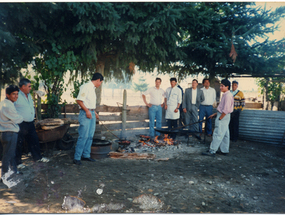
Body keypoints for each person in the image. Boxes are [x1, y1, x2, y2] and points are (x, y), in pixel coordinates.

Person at [15, 78, 49, 168]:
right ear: (23, 86)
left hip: (30, 123)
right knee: (19, 143)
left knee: (34, 140)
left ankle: (37, 158)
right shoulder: (16, 95)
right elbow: (10, 108)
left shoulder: (28, 95)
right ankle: (18, 163)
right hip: (21, 123)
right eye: (29, 86)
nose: (30, 88)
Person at [73, 73, 104, 165]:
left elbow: (88, 102)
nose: (100, 84)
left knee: (90, 136)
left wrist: (93, 112)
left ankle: (86, 155)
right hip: (85, 114)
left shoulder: (92, 88)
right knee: (83, 136)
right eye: (101, 82)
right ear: (98, 80)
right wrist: (87, 111)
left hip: (91, 113)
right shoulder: (86, 86)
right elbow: (79, 100)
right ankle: (77, 157)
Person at [202, 79, 234, 156]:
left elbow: (226, 110)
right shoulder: (226, 95)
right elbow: (223, 108)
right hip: (223, 115)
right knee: (225, 134)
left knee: (217, 133)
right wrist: (215, 114)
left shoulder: (228, 96)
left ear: (227, 86)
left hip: (223, 116)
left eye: (222, 86)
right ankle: (224, 150)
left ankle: (212, 150)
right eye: (220, 85)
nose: (220, 87)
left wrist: (220, 118)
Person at [0, 85, 23, 186]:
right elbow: (18, 119)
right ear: (7, 95)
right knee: (8, 156)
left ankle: (13, 172)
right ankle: (4, 177)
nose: (16, 96)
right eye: (13, 94)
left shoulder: (4, 103)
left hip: (6, 133)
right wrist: (21, 116)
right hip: (9, 133)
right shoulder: (7, 106)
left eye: (17, 94)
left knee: (10, 154)